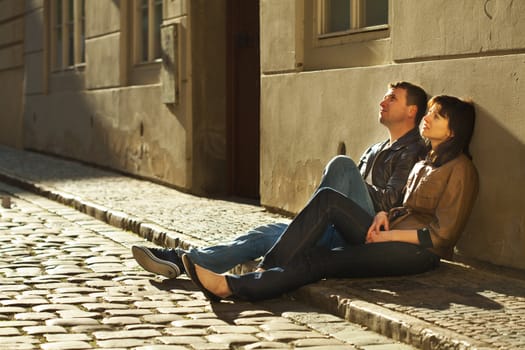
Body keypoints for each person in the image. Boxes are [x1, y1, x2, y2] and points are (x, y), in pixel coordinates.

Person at [182, 95, 479, 302]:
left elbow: (443, 236)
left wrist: (391, 237)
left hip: (415, 254)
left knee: (322, 245)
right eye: (428, 112)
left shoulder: (461, 169)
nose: (427, 118)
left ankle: (246, 279)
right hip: (387, 233)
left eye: (436, 115)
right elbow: (408, 206)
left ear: (453, 131)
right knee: (319, 230)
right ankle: (239, 283)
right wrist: (384, 215)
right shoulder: (424, 162)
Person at [132, 81, 428, 278]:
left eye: (392, 98)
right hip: (340, 226)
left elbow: (392, 202)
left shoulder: (413, 150)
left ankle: (301, 234)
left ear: (411, 110)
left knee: (340, 164)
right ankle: (183, 259)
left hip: (369, 233)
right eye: (385, 96)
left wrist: (347, 186)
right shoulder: (375, 148)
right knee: (262, 234)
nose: (383, 101)